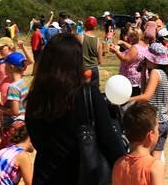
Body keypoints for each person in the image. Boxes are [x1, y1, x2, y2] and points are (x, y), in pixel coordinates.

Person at [24, 33, 127, 184]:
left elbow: (36, 139)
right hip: (82, 175)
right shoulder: (87, 94)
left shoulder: (36, 96)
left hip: (46, 176)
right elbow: (110, 141)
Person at [130, 42, 168, 161]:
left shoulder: (155, 73)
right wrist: (144, 71)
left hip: (156, 122)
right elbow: (145, 91)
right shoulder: (162, 73)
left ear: (153, 60)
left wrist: (127, 99)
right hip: (164, 121)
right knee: (157, 159)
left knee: (149, 159)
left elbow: (146, 97)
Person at [113, 102, 164, 185]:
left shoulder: (119, 164)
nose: (159, 132)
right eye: (157, 128)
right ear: (150, 135)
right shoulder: (155, 166)